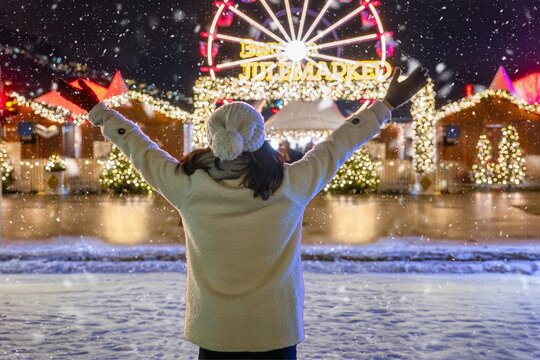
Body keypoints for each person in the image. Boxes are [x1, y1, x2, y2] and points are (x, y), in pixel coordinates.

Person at [54, 66, 428, 359]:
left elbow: (137, 146)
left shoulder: (188, 187)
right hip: (275, 332)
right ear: (260, 137)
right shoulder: (289, 185)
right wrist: (387, 102)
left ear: (213, 138)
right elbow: (339, 143)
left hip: (215, 333)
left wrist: (97, 110)